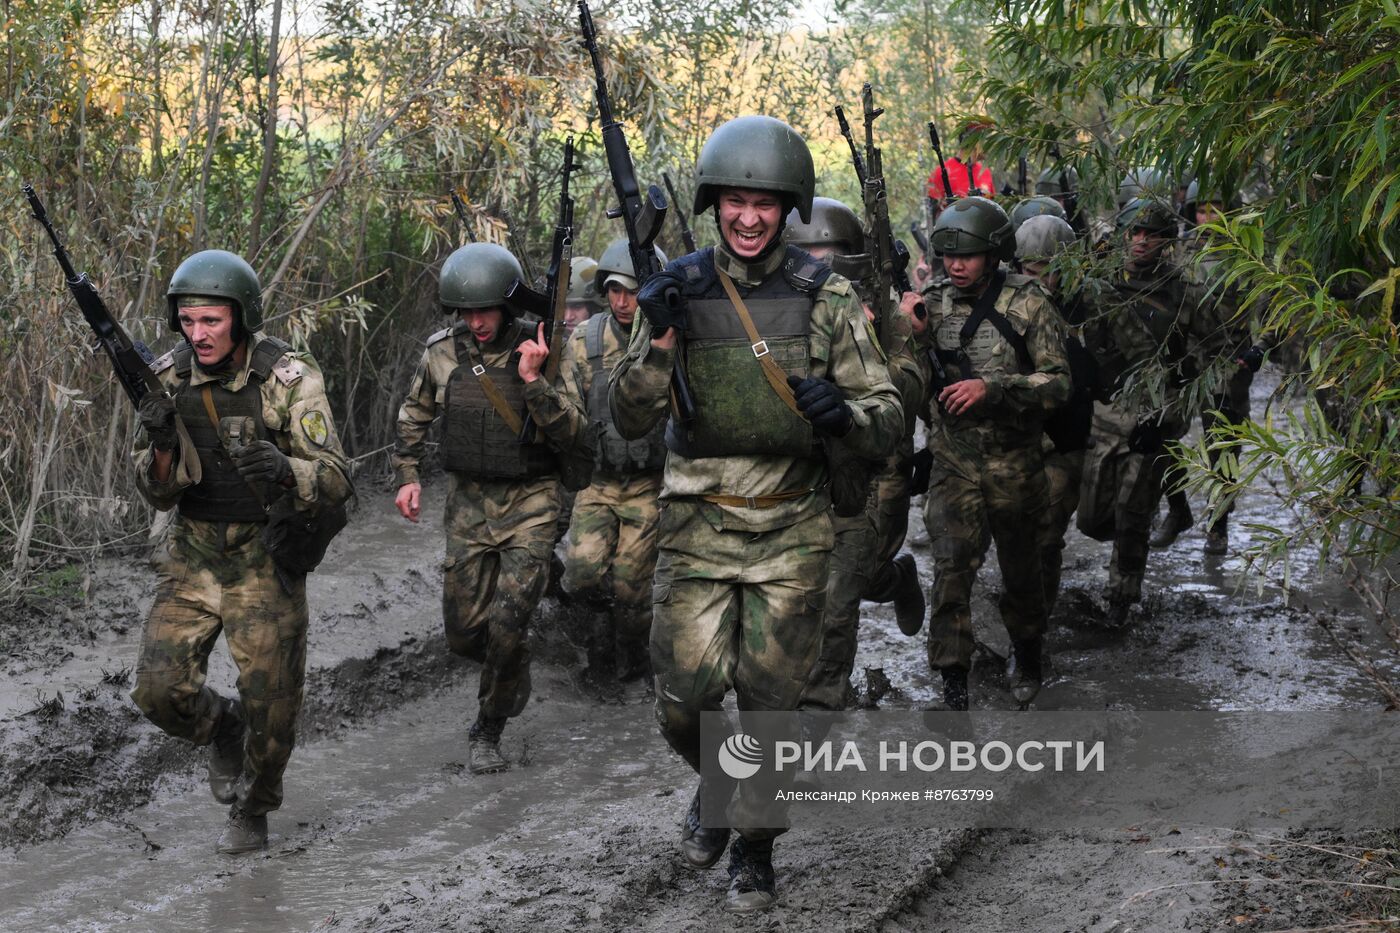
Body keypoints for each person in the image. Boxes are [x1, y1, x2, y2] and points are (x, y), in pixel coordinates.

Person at [610, 115, 902, 912]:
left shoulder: (825, 294)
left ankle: (755, 849)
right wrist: (660, 336)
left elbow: (890, 413)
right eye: (734, 201)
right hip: (697, 523)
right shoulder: (678, 287)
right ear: (714, 204)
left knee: (771, 706)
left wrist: (841, 412)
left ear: (788, 208)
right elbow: (629, 418)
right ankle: (719, 787)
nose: (748, 217)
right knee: (683, 702)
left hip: (792, 527)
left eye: (764, 204)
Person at [131, 249, 352, 853]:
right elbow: (155, 494)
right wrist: (160, 445)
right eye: (188, 320)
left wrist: (287, 471)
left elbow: (337, 479)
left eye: (212, 322)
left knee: (273, 708)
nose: (196, 335)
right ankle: (220, 727)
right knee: (157, 689)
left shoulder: (290, 379)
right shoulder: (167, 377)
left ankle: (253, 809)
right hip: (194, 553)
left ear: (242, 318)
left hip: (264, 554)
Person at [392, 242, 560, 775]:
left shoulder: (546, 346)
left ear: (508, 305)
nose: (476, 321)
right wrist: (408, 476)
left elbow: (572, 429)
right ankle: (510, 663)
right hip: (467, 506)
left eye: (485, 309)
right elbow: (413, 415)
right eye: (466, 311)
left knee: (508, 623)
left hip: (531, 503)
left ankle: (487, 729)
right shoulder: (442, 353)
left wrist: (535, 379)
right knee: (465, 633)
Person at [919, 197, 1071, 711]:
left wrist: (995, 388)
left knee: (1022, 568)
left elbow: (1059, 384)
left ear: (995, 253)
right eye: (948, 256)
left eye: (969, 255)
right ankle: (952, 679)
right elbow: (902, 379)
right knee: (950, 567)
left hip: (1014, 460)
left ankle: (1028, 654)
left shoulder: (1028, 302)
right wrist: (907, 335)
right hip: (954, 460)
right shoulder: (931, 302)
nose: (956, 266)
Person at [785, 198, 927, 724]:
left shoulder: (884, 310)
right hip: (798, 480)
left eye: (825, 254)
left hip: (869, 473)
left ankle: (817, 721)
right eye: (803, 254)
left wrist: (870, 348)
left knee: (842, 599)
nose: (814, 266)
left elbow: (909, 392)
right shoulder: (780, 307)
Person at [519, 237, 668, 686]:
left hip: (649, 483)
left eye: (634, 290)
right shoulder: (584, 341)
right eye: (615, 291)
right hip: (597, 481)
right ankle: (600, 644)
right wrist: (535, 389)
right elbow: (566, 413)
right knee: (581, 577)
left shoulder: (667, 339)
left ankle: (633, 664)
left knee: (632, 586)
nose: (624, 302)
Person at [1080, 198, 1195, 624]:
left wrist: (1171, 414)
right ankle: (1153, 521)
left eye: (1152, 234)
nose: (1142, 241)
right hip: (1107, 411)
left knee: (1132, 511)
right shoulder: (1099, 284)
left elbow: (1196, 358)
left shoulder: (1180, 290)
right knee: (1092, 519)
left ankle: (1120, 600)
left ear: (1167, 241)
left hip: (1154, 415)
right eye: (1135, 232)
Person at [1151, 178, 1265, 555]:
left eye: (1216, 208)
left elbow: (1272, 310)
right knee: (1159, 436)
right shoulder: (1178, 253)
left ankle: (1218, 523)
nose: (1208, 216)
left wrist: (1259, 348)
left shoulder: (1245, 255)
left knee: (1223, 450)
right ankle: (1177, 508)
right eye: (1202, 209)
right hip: (1183, 364)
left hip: (1228, 365)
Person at [1015, 214, 1096, 613]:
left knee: (1045, 536)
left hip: (1065, 439)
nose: (1041, 282)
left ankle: (1036, 627)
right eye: (1031, 272)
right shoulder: (1007, 304)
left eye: (1050, 272)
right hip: (1017, 439)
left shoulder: (1090, 308)